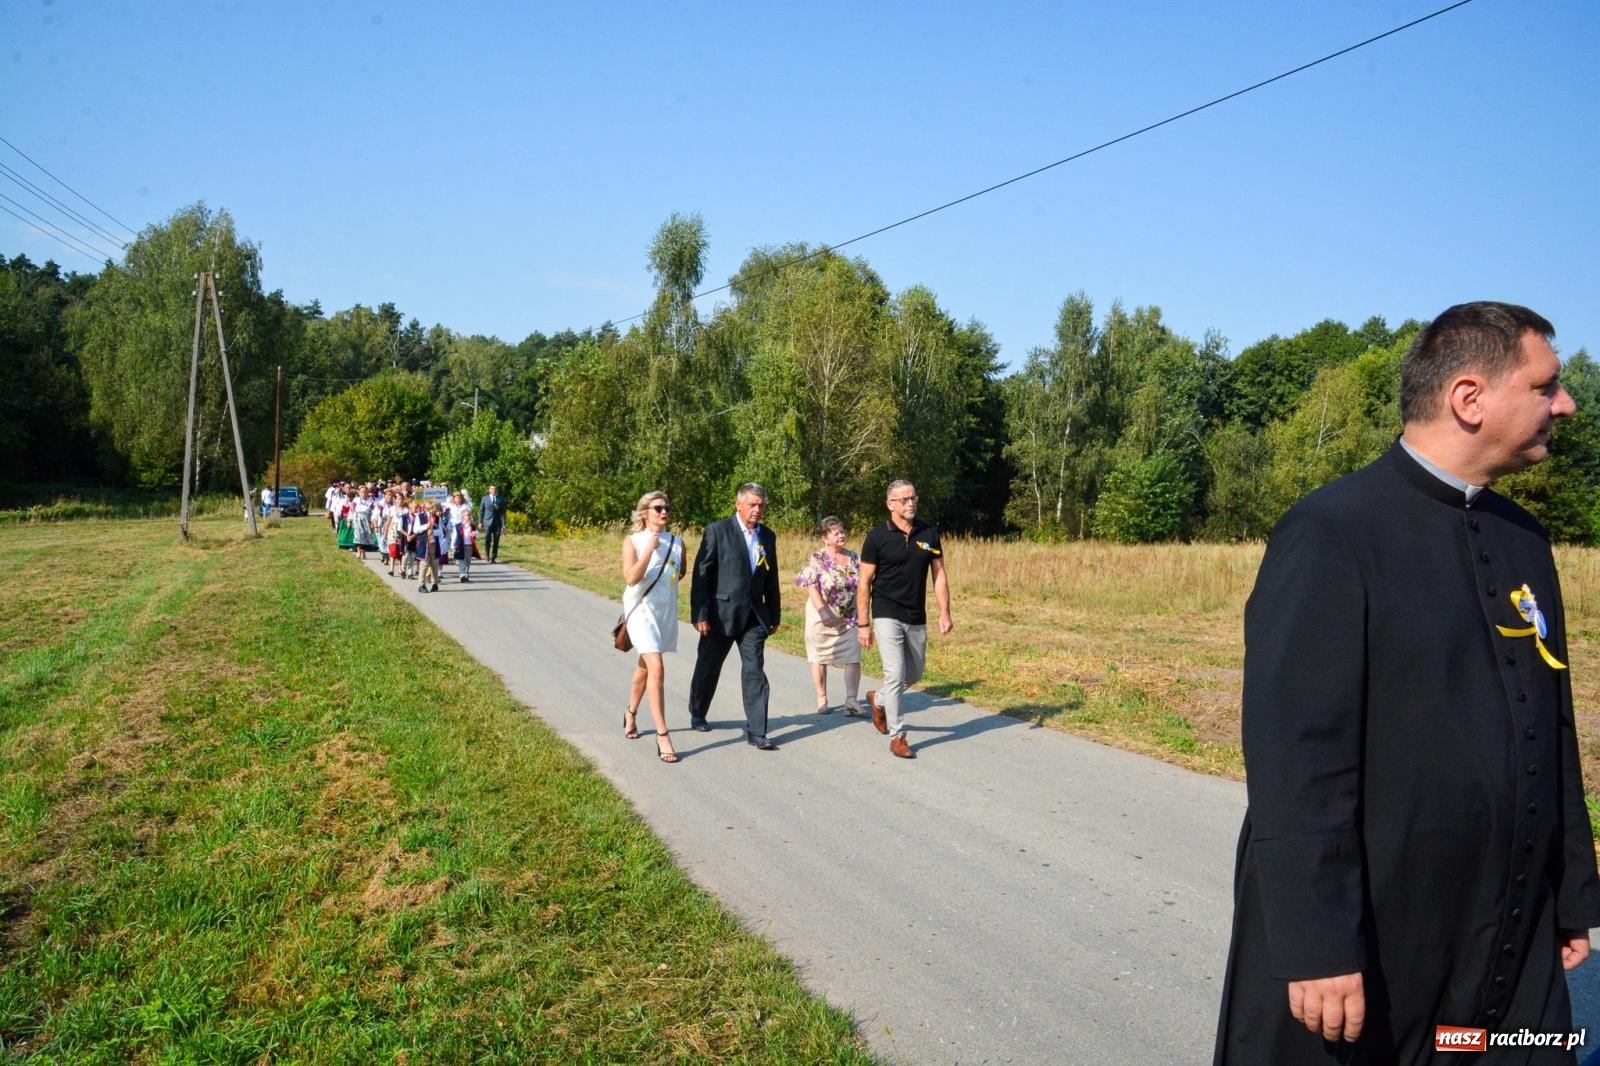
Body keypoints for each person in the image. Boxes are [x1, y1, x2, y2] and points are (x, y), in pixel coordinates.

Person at [1213, 302, 1600, 1064]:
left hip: (1505, 928)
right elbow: (1296, 757)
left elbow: (1551, 729)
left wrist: (1568, 896)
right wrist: (1318, 939)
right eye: (1547, 386)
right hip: (1375, 933)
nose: (1567, 404)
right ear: (1469, 398)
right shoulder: (1332, 532)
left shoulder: (1525, 540)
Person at [857, 480, 952, 760]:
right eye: (904, 499)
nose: (910, 503)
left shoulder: (929, 533)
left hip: (916, 615)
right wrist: (864, 624)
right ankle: (898, 736)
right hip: (886, 612)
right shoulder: (877, 538)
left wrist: (945, 612)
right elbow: (864, 583)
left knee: (914, 674)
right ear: (890, 505)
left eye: (913, 498)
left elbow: (939, 574)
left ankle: (879, 699)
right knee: (896, 673)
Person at [687, 483, 782, 750]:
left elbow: (771, 577)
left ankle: (757, 731)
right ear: (738, 504)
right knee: (708, 667)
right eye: (752, 504)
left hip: (754, 616)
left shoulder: (768, 536)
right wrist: (700, 613)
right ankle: (698, 711)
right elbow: (701, 576)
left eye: (761, 505)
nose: (757, 509)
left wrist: (773, 613)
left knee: (754, 671)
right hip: (720, 614)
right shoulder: (718, 531)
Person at [621, 491, 685, 764]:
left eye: (667, 508)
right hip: (641, 612)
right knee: (657, 667)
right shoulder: (633, 541)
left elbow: (679, 573)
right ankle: (663, 735)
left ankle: (630, 713)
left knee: (645, 666)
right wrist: (649, 549)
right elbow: (631, 578)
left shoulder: (679, 543)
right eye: (658, 508)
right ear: (644, 512)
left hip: (664, 612)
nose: (664, 512)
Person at [794, 515, 864, 716]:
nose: (842, 535)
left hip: (848, 616)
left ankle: (851, 700)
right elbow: (811, 586)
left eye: (842, 531)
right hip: (821, 614)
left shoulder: (854, 557)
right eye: (837, 533)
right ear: (825, 537)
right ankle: (822, 697)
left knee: (853, 656)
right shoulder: (818, 558)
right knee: (820, 657)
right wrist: (823, 612)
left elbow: (864, 583)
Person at [479, 484, 507, 563]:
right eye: (492, 489)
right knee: (488, 539)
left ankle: (493, 557)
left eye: (495, 489)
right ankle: (487, 555)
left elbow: (503, 513)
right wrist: (480, 522)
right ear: (489, 490)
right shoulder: (484, 499)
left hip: (497, 523)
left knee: (496, 540)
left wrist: (504, 523)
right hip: (487, 522)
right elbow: (481, 511)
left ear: (496, 490)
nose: (494, 490)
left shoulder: (500, 499)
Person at [452, 503, 475, 583]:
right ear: (462, 517)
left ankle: (466, 575)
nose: (468, 517)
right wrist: (453, 545)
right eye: (466, 515)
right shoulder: (458, 526)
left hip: (469, 545)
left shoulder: (472, 526)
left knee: (468, 561)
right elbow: (454, 535)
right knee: (462, 560)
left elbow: (477, 534)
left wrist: (474, 534)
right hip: (461, 545)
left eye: (469, 515)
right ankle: (462, 575)